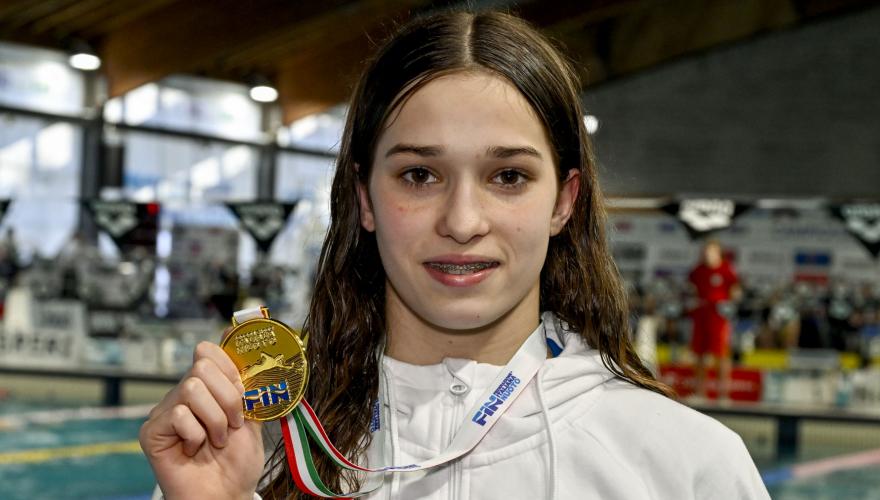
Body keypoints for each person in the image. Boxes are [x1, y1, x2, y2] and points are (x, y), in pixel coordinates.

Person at [139, 10, 769, 500]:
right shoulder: (263, 453)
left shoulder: (685, 465)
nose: (463, 222)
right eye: (419, 175)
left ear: (563, 202)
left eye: (508, 177)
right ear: (364, 198)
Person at [688, 239, 741, 400]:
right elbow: (691, 288)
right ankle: (699, 392)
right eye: (706, 251)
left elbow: (735, 290)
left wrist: (729, 304)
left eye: (711, 251)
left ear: (719, 253)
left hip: (718, 317)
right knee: (699, 354)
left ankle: (723, 394)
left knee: (721, 354)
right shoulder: (698, 270)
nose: (708, 255)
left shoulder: (726, 269)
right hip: (701, 315)